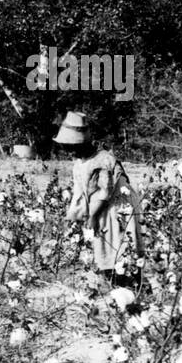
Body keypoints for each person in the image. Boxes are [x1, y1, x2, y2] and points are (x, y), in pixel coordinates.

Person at [53, 111, 142, 288]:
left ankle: (130, 287)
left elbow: (105, 191)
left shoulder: (103, 159)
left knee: (120, 248)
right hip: (99, 210)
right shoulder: (79, 163)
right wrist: (73, 218)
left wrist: (93, 216)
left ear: (82, 143)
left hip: (115, 208)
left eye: (71, 146)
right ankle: (114, 288)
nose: (68, 151)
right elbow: (80, 193)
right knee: (103, 251)